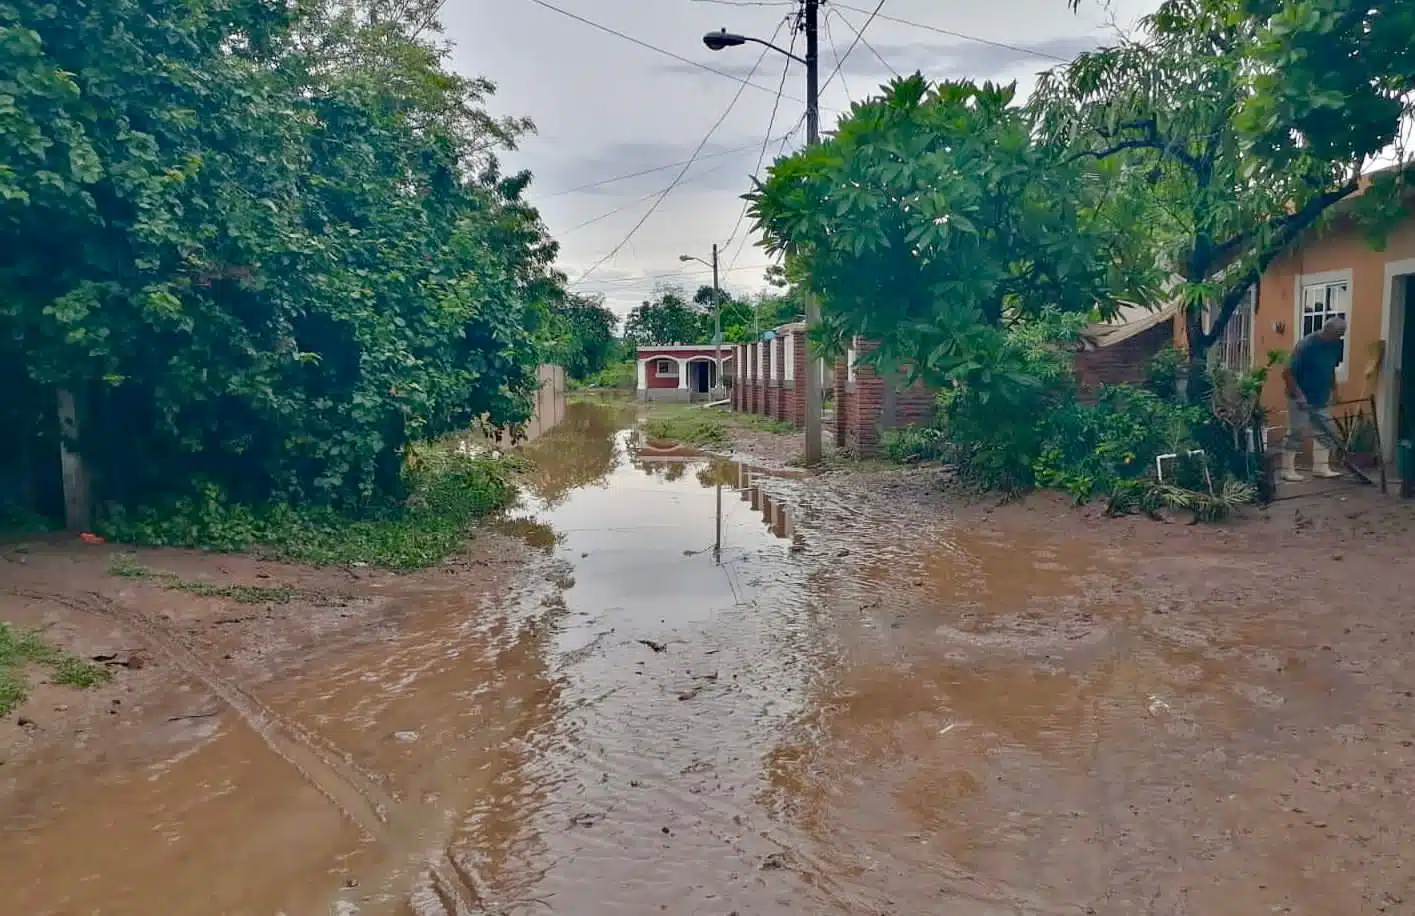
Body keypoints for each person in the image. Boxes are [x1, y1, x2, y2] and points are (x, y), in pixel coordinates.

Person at [1280, 316, 1348, 481]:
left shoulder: (1335, 345)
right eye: (1337, 335)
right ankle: (1287, 469)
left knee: (1325, 431)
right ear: (1328, 331)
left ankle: (1321, 467)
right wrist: (1299, 396)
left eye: (1341, 335)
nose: (1339, 338)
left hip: (1321, 396)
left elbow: (1331, 368)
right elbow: (1287, 372)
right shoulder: (1306, 345)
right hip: (1299, 397)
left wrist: (1336, 391)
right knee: (1296, 432)